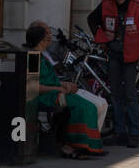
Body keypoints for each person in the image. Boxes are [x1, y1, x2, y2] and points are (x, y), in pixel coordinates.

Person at [25, 24, 106, 158]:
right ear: (41, 41)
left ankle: (82, 144)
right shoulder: (33, 58)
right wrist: (59, 88)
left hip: (54, 93)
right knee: (82, 106)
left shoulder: (40, 56)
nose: (49, 41)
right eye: (47, 38)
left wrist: (64, 85)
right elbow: (34, 87)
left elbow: (49, 80)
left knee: (87, 105)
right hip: (45, 97)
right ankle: (77, 145)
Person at [88, 0, 139, 148]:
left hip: (131, 56)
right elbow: (92, 19)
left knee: (130, 95)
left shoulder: (138, 6)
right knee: (115, 95)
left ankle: (134, 133)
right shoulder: (106, 4)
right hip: (113, 55)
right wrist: (102, 39)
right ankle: (119, 132)